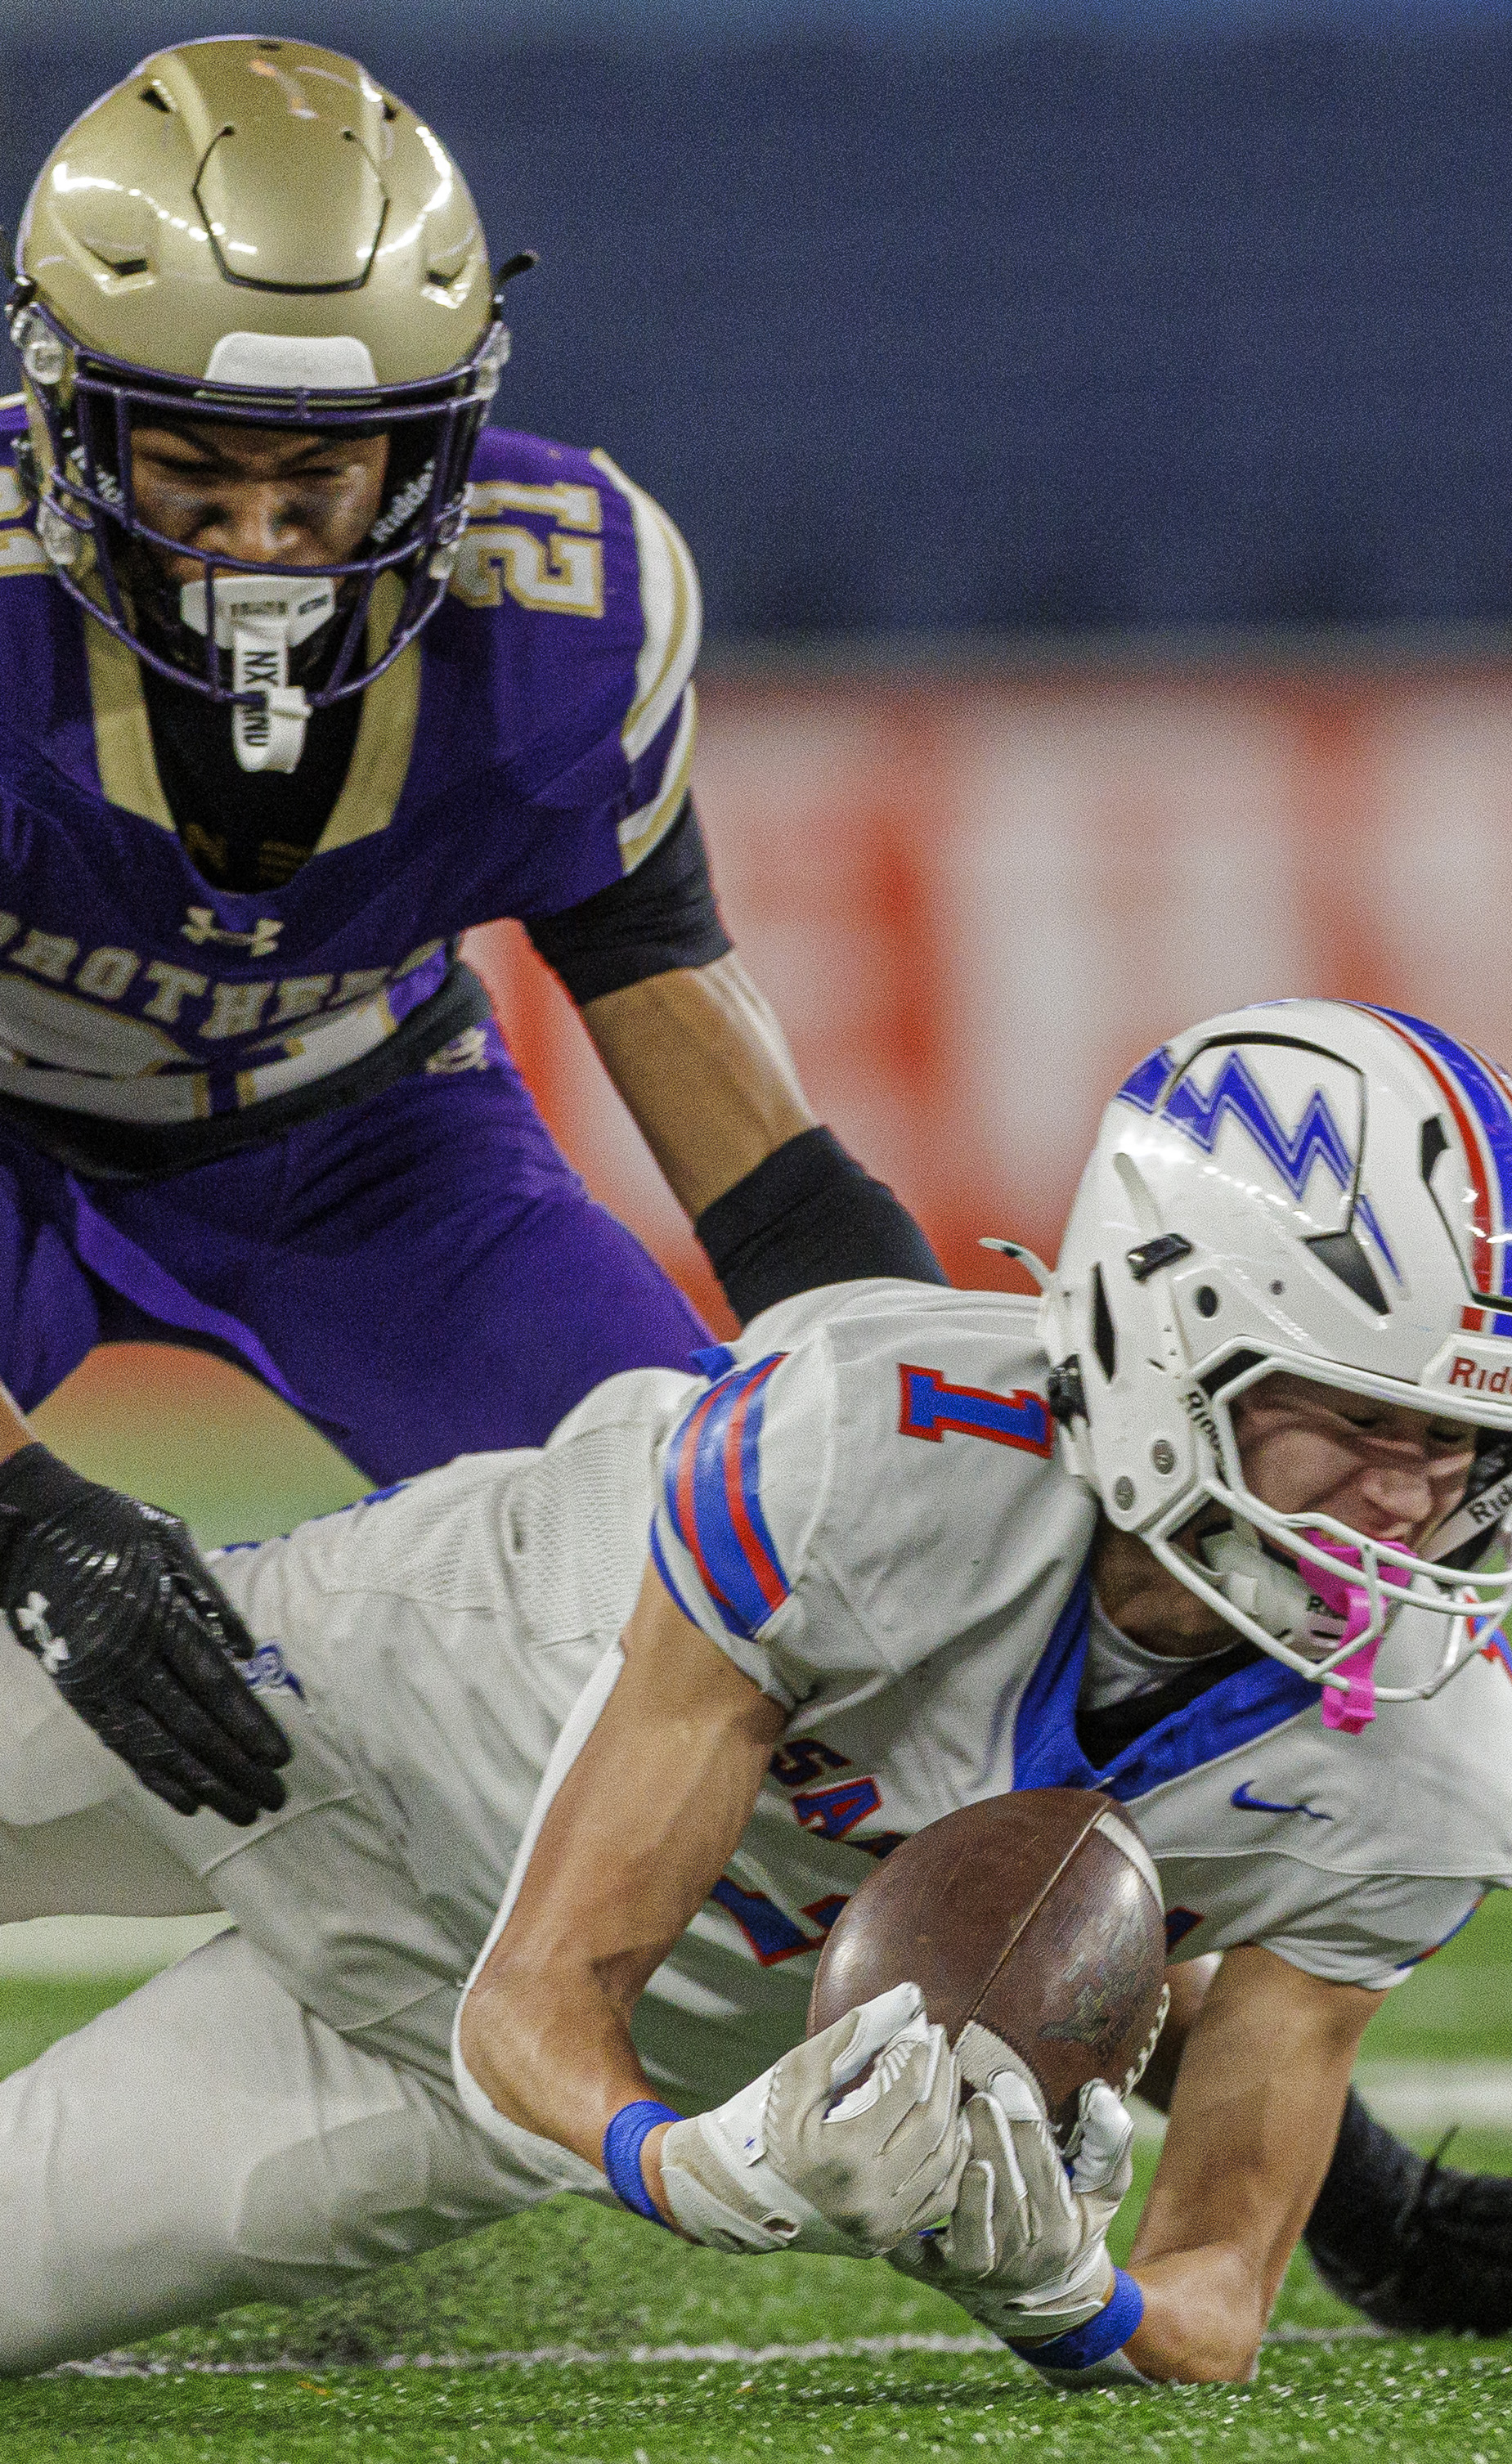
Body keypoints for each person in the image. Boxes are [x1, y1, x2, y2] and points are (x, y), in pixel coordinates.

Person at [0, 1002, 1512, 2381]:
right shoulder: (872, 1442)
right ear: (1165, 1345)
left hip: (416, 2081)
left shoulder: (1432, 1764)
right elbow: (541, 1993)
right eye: (1357, 1418)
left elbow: (1216, 2295)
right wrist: (685, 2161)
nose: (1412, 1499)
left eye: (1471, 1444)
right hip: (312, 1712)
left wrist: (1065, 2291)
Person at [0, 37, 944, 1825]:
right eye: (194, 482)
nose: (259, 555)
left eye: (320, 489)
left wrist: (914, 1390)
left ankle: (1248, 2106)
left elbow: (707, 1068)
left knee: (780, 1617)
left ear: (431, 453)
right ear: (64, 420)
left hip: (366, 1141)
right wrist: (27, 1512)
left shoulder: (566, 604)